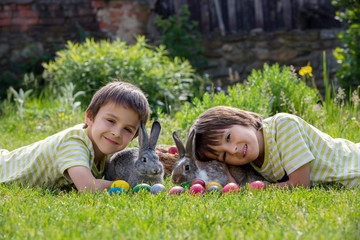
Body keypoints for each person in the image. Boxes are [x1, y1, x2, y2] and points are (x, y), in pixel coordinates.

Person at [0, 81, 150, 193]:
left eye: (127, 129)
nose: (117, 133)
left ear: (134, 136)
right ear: (90, 117)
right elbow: (87, 187)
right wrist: (124, 185)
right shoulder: (73, 143)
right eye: (111, 121)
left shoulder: (103, 151)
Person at [193, 106, 360, 188]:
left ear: (242, 118)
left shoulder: (283, 126)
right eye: (223, 155)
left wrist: (253, 190)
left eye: (228, 137)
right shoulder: (251, 159)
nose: (232, 151)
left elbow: (300, 184)